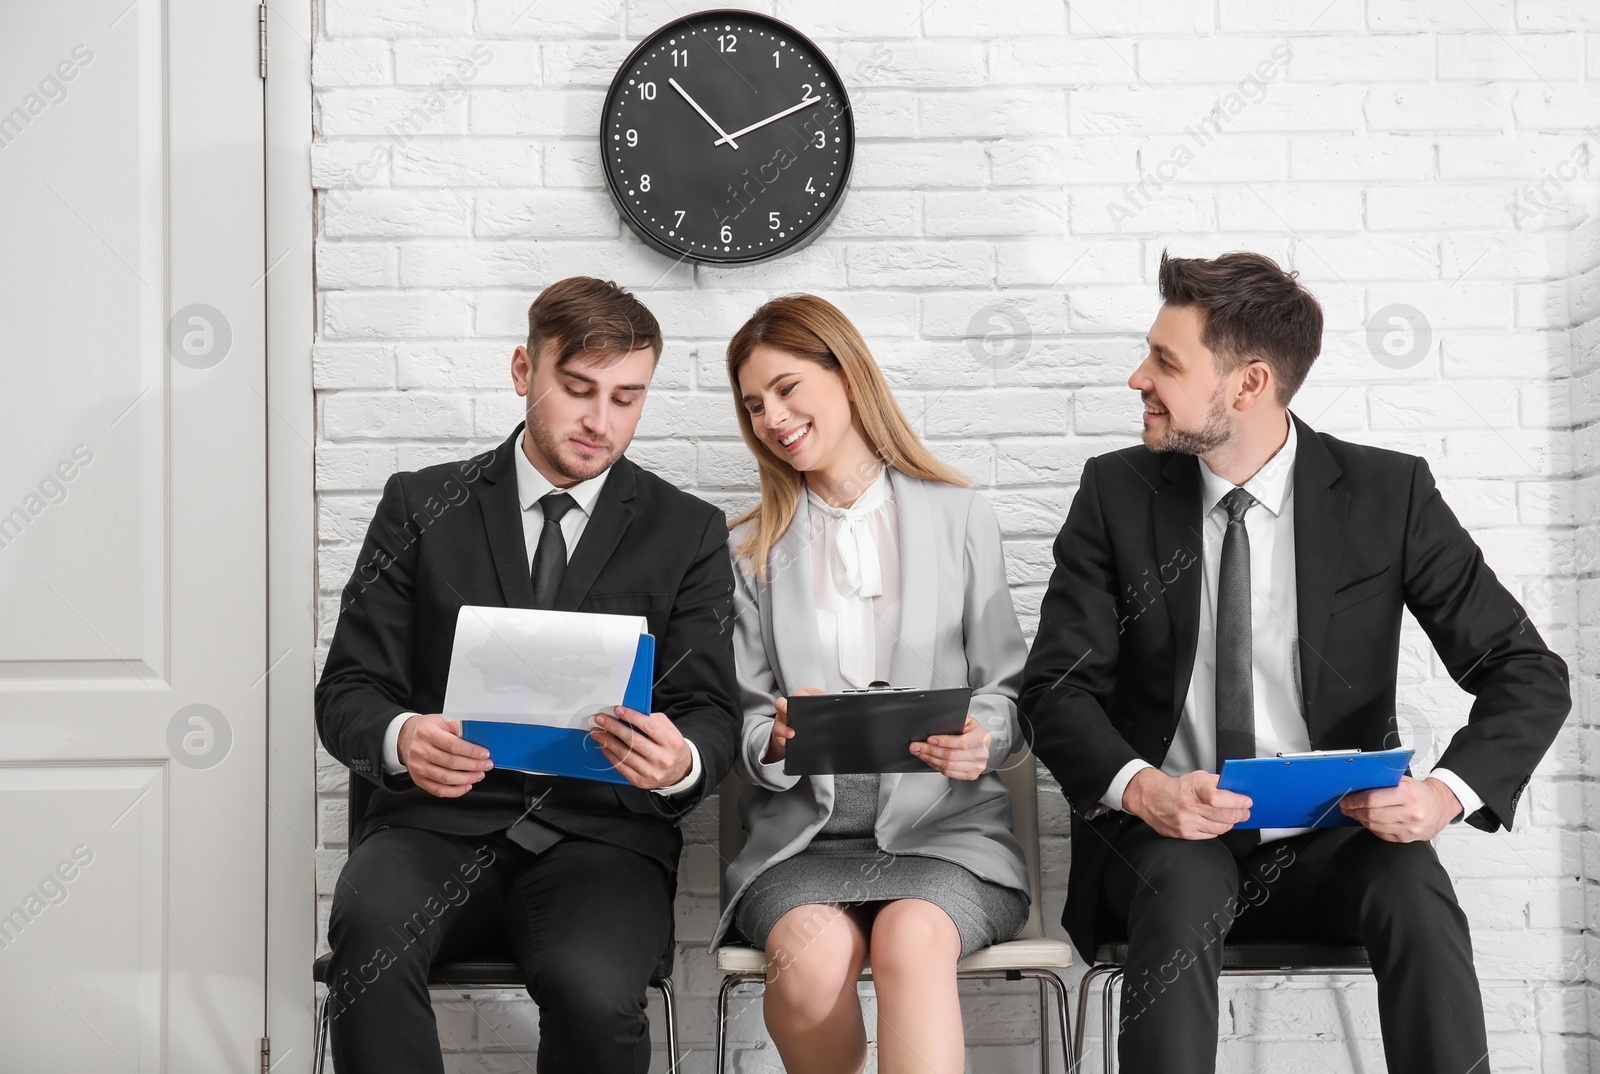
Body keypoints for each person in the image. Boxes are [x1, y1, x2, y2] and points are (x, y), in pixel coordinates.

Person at [1022, 250, 1571, 1074]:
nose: (1139, 378)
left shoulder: (1390, 495)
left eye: (1165, 361)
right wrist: (1148, 790)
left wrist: (1443, 796)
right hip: (1169, 835)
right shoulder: (1115, 494)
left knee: (1417, 894)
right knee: (1181, 887)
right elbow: (1055, 689)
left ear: (1247, 385)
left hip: (1332, 838)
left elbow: (1524, 667)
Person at [315, 276, 741, 1074]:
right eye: (578, 389)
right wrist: (404, 737)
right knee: (369, 938)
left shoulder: (687, 531)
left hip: (602, 839)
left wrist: (679, 760)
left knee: (594, 988)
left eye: (627, 397)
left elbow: (712, 708)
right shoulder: (420, 506)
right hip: (431, 829)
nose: (599, 420)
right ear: (523, 370)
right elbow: (347, 691)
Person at [711, 294, 1032, 1074]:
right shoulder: (748, 548)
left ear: (847, 375)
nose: (772, 419)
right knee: (814, 960)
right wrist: (775, 741)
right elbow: (747, 721)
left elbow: (1007, 690)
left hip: (945, 834)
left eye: (787, 388)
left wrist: (981, 738)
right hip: (802, 841)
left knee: (911, 939)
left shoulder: (959, 517)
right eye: (754, 405)